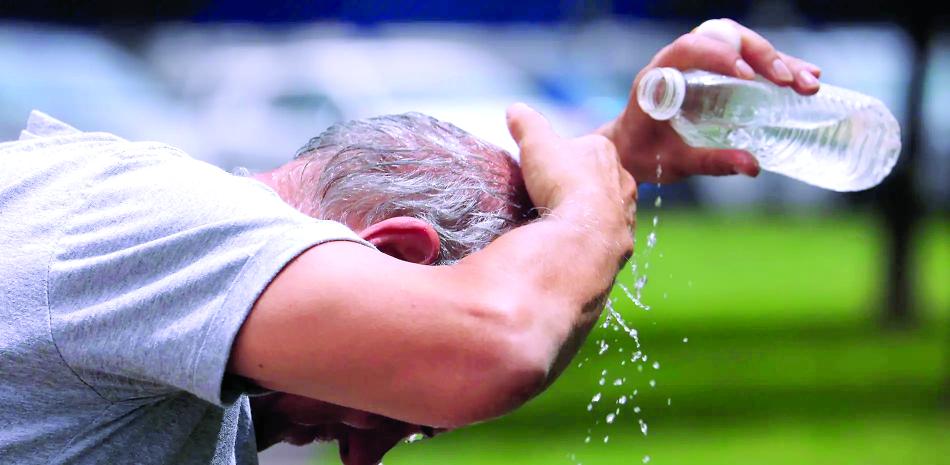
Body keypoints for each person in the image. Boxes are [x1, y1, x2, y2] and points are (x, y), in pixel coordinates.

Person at [0, 19, 820, 465]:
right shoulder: (166, 222)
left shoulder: (179, 323)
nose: (365, 455)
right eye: (407, 414)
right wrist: (587, 210)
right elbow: (493, 347)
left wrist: (608, 168)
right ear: (394, 257)